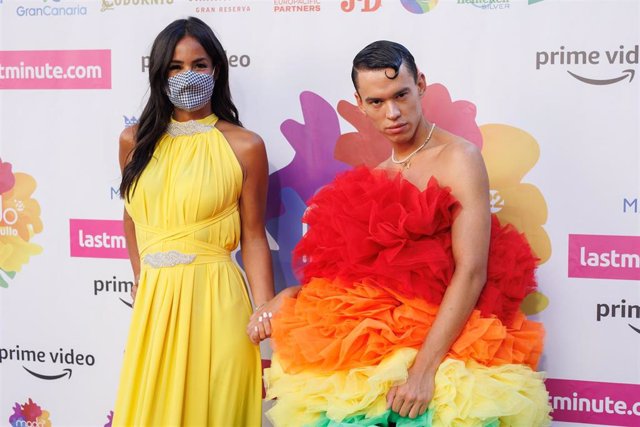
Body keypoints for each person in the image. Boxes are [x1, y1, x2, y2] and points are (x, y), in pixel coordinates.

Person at [256, 41, 551, 426]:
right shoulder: (378, 174)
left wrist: (423, 371)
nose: (392, 113)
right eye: (377, 102)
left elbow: (472, 270)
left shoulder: (458, 158)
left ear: (421, 85)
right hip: (372, 353)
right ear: (360, 104)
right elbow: (355, 282)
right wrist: (290, 294)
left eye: (401, 95)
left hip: (441, 352)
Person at [113, 17, 274, 426]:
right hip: (156, 304)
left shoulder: (245, 145)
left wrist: (265, 308)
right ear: (160, 73)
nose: (188, 75)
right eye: (176, 66)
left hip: (219, 301)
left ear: (216, 69)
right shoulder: (134, 141)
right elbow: (131, 219)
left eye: (199, 65)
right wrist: (142, 279)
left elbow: (254, 236)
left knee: (216, 412)